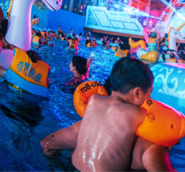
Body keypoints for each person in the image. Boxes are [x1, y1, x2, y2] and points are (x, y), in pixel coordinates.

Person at [40, 58, 174, 172]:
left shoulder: (94, 100)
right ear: (137, 93)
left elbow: (47, 143)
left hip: (75, 166)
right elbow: (157, 127)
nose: (149, 98)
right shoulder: (137, 113)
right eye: (149, 93)